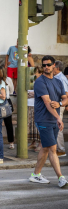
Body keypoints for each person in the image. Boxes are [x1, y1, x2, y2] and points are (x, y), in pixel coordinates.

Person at [30, 56, 68, 188]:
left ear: (54, 66)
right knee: (52, 148)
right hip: (43, 119)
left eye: (48, 65)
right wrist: (59, 117)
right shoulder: (40, 82)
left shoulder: (58, 82)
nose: (46, 67)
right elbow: (47, 103)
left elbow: (65, 99)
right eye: (44, 65)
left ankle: (35, 175)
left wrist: (59, 103)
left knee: (45, 148)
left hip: (54, 119)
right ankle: (61, 178)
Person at [53, 61, 68, 157]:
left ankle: (61, 149)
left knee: (58, 126)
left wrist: (62, 104)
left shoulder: (61, 79)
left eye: (53, 66)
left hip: (59, 105)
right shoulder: (57, 78)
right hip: (57, 105)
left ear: (57, 68)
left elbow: (66, 94)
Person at [28, 66, 43, 152]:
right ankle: (33, 142)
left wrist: (34, 94)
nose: (34, 74)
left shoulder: (41, 82)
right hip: (29, 104)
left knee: (37, 126)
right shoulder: (31, 80)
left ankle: (40, 143)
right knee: (31, 125)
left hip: (37, 106)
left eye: (36, 72)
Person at [1, 66, 15, 149]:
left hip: (6, 101)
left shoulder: (8, 80)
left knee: (8, 123)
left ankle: (11, 142)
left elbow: (11, 90)